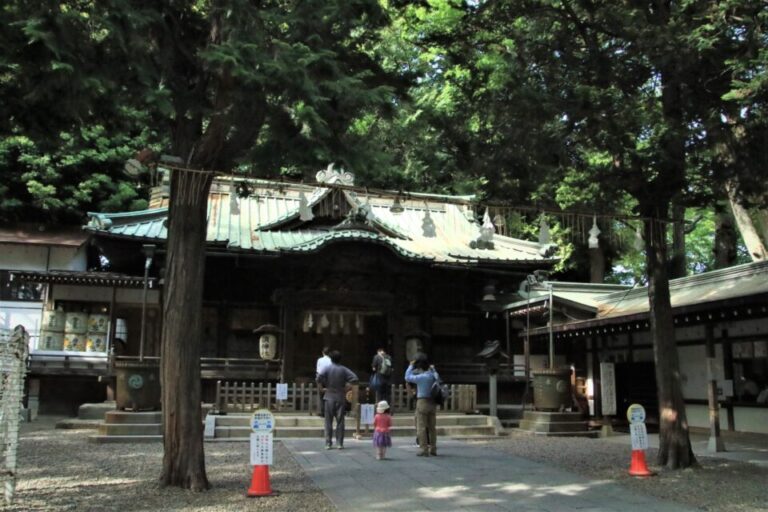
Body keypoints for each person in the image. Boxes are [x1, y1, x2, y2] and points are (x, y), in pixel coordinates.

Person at [316, 350, 358, 450]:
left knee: (328, 421)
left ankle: (328, 443)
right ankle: (339, 443)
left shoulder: (327, 368)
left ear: (331, 359)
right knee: (340, 421)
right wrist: (347, 387)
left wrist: (322, 388)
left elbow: (318, 378)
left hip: (329, 396)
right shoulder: (343, 369)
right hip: (340, 397)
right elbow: (355, 378)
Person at [405, 353, 439, 457]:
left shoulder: (422, 377)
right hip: (433, 402)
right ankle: (433, 448)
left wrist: (411, 365)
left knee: (421, 426)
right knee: (432, 427)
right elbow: (437, 376)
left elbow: (407, 377)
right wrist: (433, 369)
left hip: (422, 401)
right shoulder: (433, 375)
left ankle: (424, 449)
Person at [315, 347, 332, 416]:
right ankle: (328, 412)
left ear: (323, 352)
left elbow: (318, 370)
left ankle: (322, 412)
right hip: (329, 378)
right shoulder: (331, 360)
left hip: (321, 378)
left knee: (321, 395)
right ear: (329, 353)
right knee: (329, 395)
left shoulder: (320, 360)